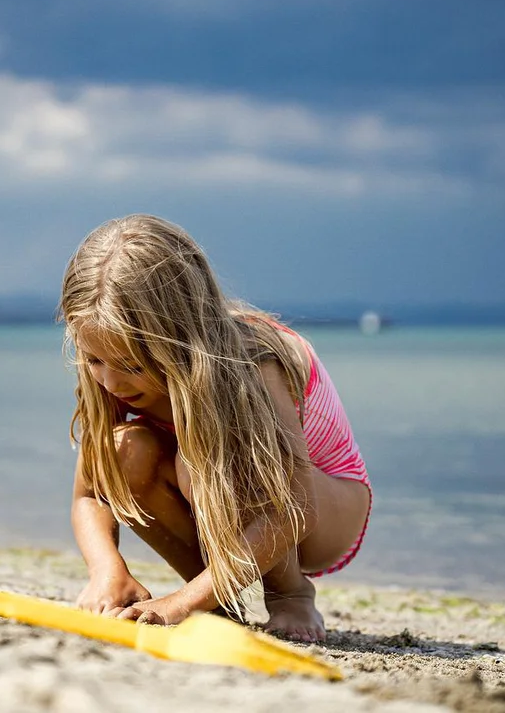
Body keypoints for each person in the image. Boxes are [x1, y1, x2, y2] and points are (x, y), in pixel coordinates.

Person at [59, 214, 372, 643]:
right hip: (224, 500)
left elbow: (295, 505)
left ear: (179, 339)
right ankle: (218, 600)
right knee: (121, 452)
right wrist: (107, 571)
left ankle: (290, 592)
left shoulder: (253, 361)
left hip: (323, 511)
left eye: (132, 366)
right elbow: (90, 493)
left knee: (202, 458)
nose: (111, 382)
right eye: (94, 361)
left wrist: (181, 604)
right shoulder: (111, 354)